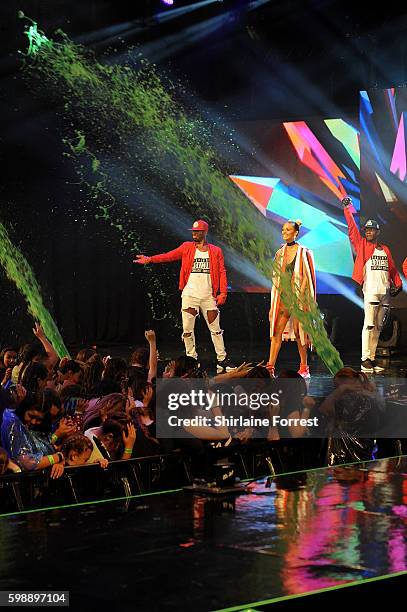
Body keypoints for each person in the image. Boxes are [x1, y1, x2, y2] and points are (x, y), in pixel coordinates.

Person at [134, 219, 235, 373]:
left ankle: (222, 359)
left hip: (208, 296)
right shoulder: (186, 247)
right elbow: (169, 256)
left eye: (197, 231)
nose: (194, 233)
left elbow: (222, 272)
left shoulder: (215, 251)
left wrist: (223, 292)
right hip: (190, 295)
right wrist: (150, 259)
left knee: (215, 329)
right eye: (193, 231)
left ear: (204, 232)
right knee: (187, 330)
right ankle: (191, 360)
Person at [342, 197, 402, 373]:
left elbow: (392, 269)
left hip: (385, 293)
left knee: (378, 327)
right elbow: (352, 229)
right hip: (371, 292)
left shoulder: (385, 249)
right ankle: (364, 359)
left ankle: (372, 358)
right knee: (368, 325)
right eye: (366, 230)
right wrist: (347, 209)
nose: (368, 232)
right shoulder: (361, 245)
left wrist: (398, 285)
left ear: (377, 232)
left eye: (371, 230)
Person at [267, 220, 316, 378]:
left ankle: (304, 367)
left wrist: (300, 297)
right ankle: (270, 366)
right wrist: (273, 304)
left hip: (299, 299)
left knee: (299, 331)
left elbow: (307, 277)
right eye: (283, 229)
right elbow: (276, 277)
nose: (284, 232)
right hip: (283, 298)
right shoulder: (279, 252)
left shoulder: (304, 252)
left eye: (288, 230)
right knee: (276, 331)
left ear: (296, 233)